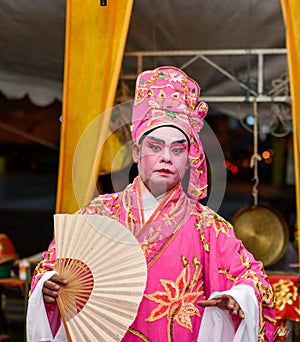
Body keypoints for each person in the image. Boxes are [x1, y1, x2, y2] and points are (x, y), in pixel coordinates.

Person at [26, 66, 275, 341]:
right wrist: (47, 288)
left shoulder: (209, 228)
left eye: (178, 149)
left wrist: (239, 298)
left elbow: (253, 280)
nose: (166, 157)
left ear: (188, 157)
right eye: (155, 147)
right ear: (136, 151)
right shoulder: (98, 214)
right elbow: (51, 267)